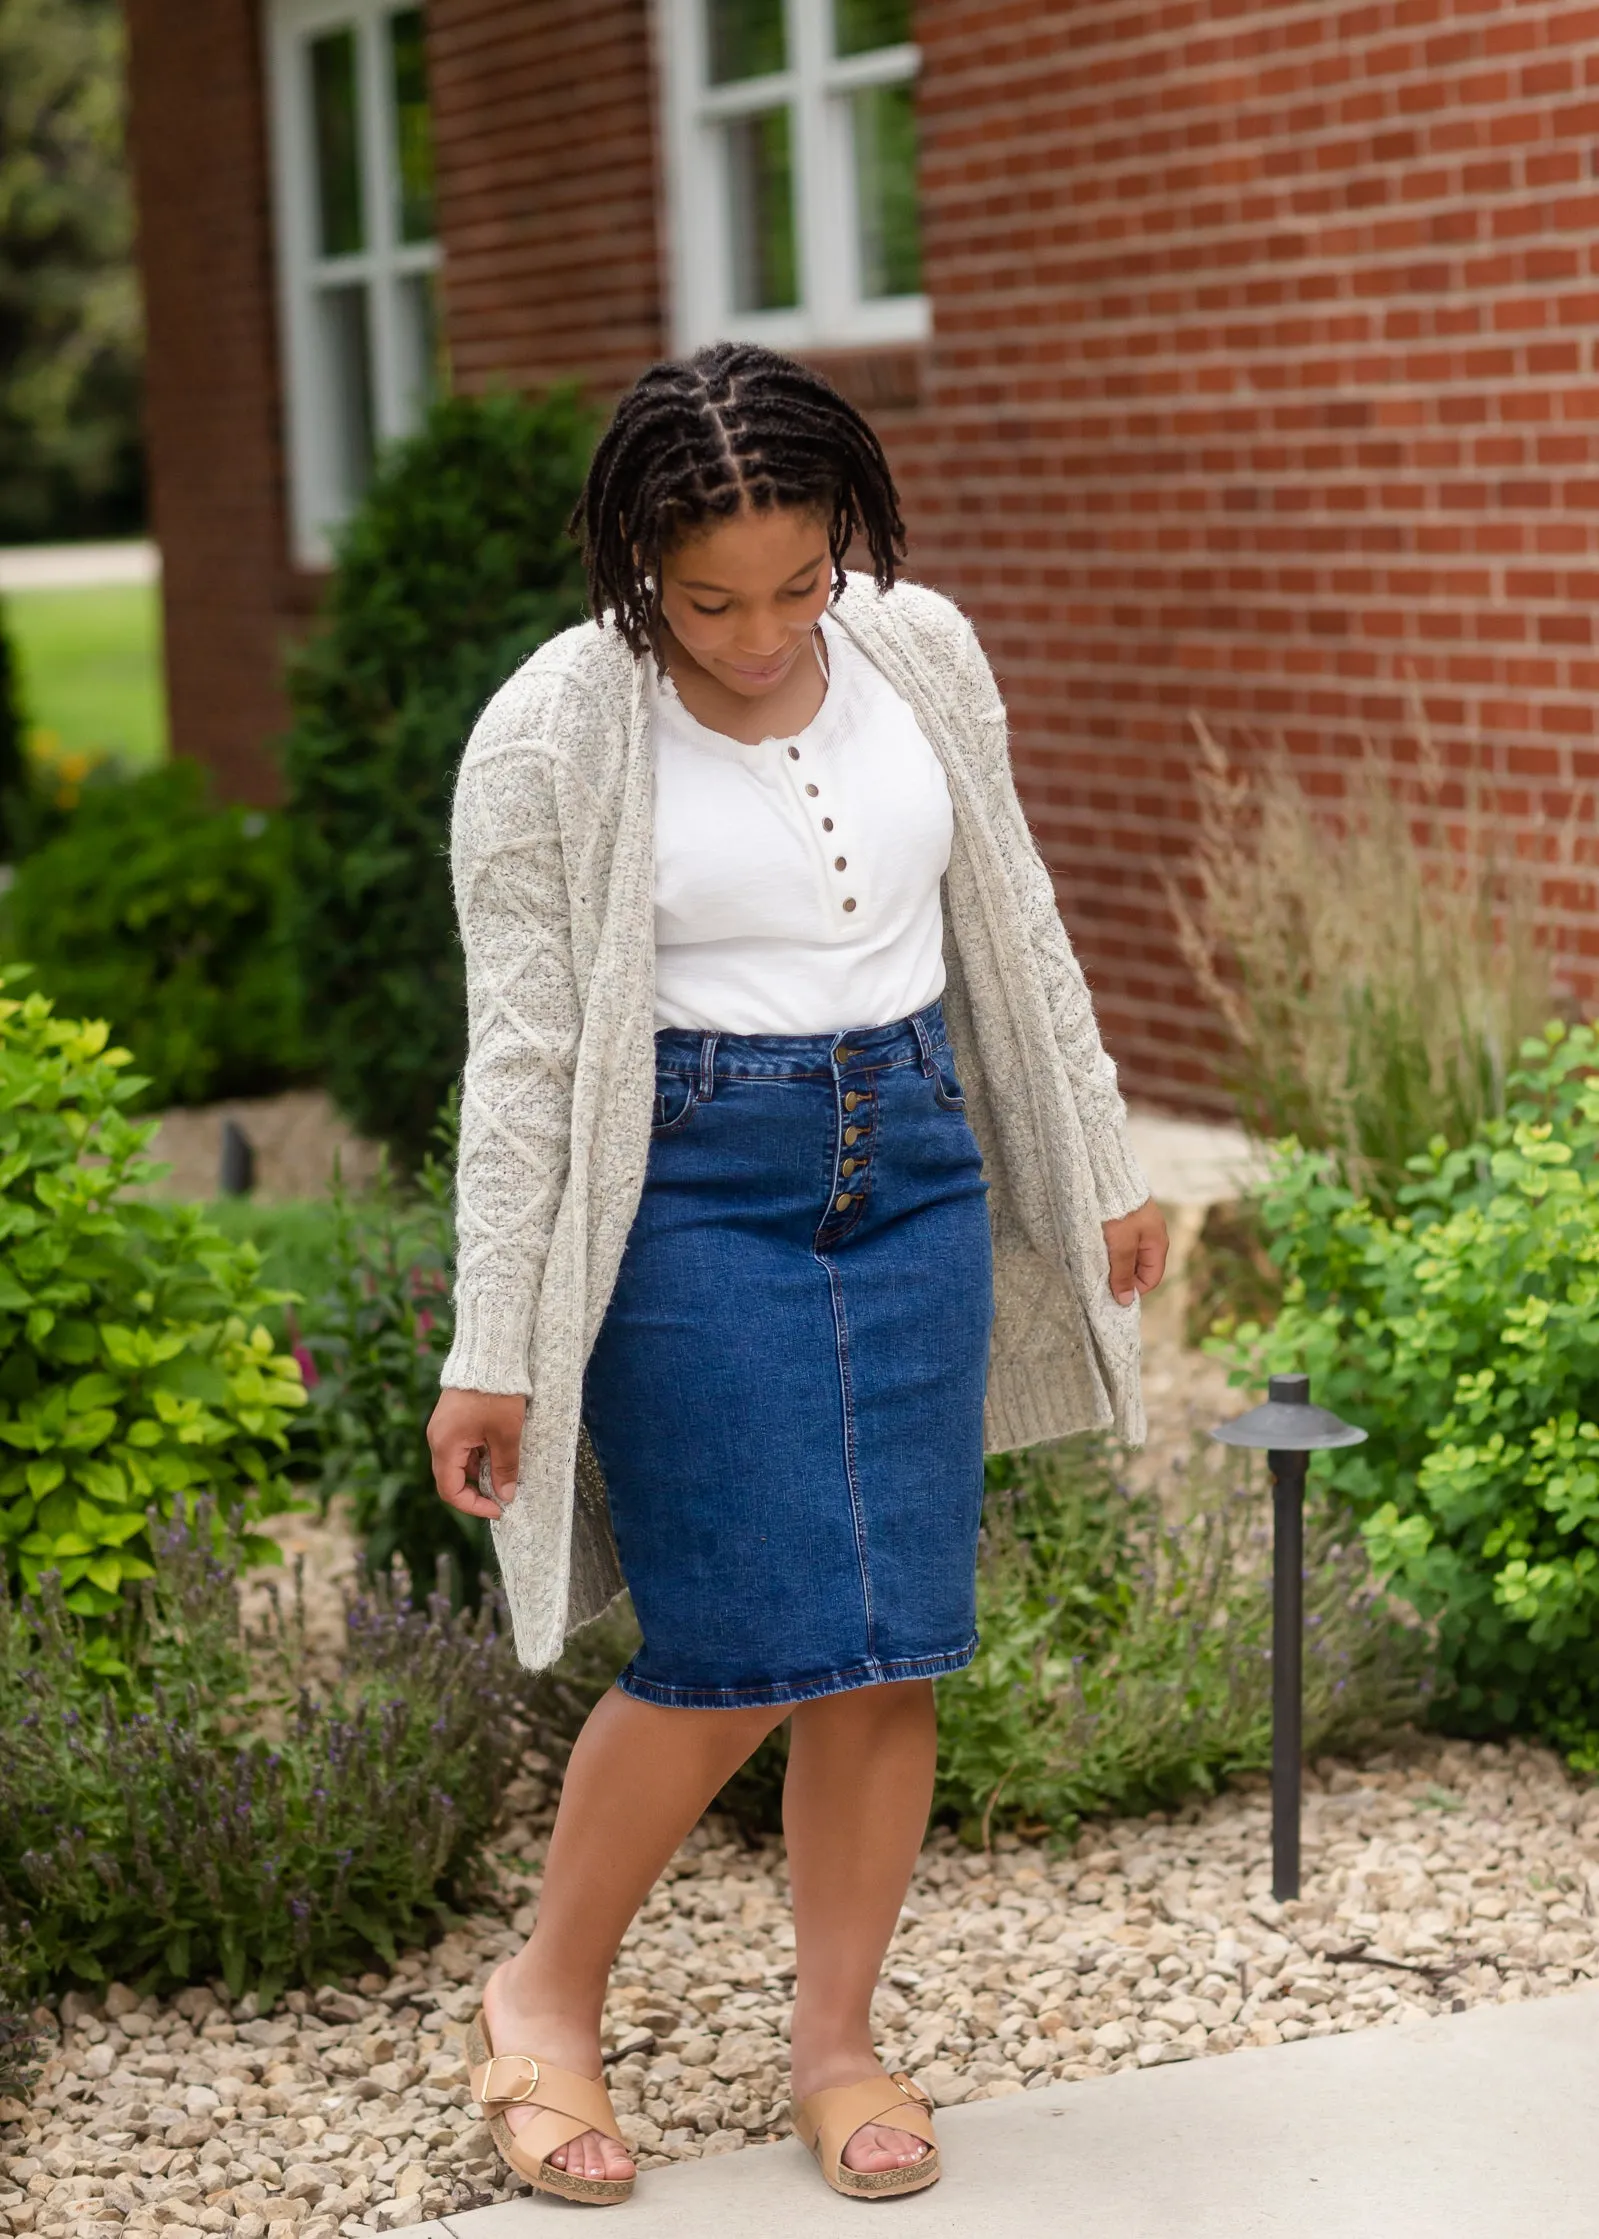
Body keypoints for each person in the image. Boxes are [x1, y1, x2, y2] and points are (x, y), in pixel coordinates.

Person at [426, 341, 1168, 2207]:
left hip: (913, 1168)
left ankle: (835, 2039)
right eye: (706, 600)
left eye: (797, 582)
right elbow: (520, 1061)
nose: (759, 635)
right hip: (690, 1194)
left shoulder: (925, 650)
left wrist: (1097, 1154)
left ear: (847, 533)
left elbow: (1015, 909)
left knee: (890, 1649)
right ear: (632, 566)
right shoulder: (548, 733)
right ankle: (540, 1993)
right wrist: (492, 1339)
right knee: (736, 1642)